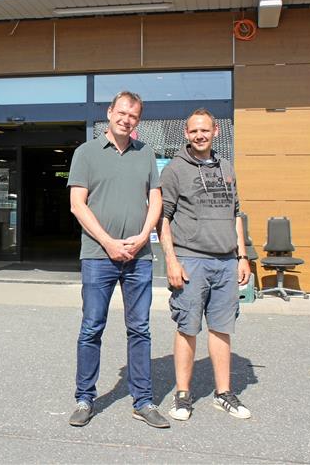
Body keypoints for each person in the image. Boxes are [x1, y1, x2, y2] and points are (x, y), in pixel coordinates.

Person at [66, 91, 168, 429]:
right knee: (91, 327)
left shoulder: (146, 154)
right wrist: (109, 242)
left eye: (133, 116)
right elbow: (77, 204)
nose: (126, 119)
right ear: (110, 113)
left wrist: (142, 237)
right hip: (98, 256)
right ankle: (85, 398)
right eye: (121, 112)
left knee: (139, 328)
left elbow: (155, 200)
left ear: (138, 121)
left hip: (138, 257)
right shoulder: (86, 152)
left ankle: (143, 400)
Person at [157, 108, 252, 421]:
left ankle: (223, 393)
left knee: (222, 328)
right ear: (186, 134)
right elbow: (164, 219)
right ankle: (183, 395)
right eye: (194, 131)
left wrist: (242, 255)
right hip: (191, 261)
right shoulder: (174, 170)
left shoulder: (228, 167)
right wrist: (171, 260)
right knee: (187, 327)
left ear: (216, 132)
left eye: (205, 130)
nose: (199, 135)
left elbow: (236, 214)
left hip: (226, 261)